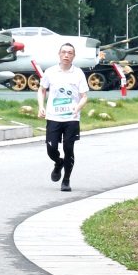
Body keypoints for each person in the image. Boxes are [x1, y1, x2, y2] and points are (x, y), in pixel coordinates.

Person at [37, 43, 89, 192]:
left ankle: (66, 180)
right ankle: (58, 162)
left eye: (70, 53)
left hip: (71, 118)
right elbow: (42, 90)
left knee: (68, 148)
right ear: (59, 54)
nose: (66, 55)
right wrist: (41, 107)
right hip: (53, 116)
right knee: (51, 148)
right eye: (64, 52)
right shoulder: (50, 72)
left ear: (74, 56)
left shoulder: (78, 73)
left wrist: (78, 107)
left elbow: (84, 96)